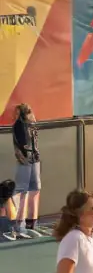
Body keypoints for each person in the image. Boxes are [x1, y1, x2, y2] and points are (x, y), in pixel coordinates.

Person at [11, 102, 44, 239]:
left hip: (31, 160)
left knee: (32, 190)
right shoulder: (22, 125)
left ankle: (29, 223)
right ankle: (21, 224)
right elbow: (23, 144)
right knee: (24, 191)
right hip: (27, 160)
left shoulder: (29, 124)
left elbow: (30, 143)